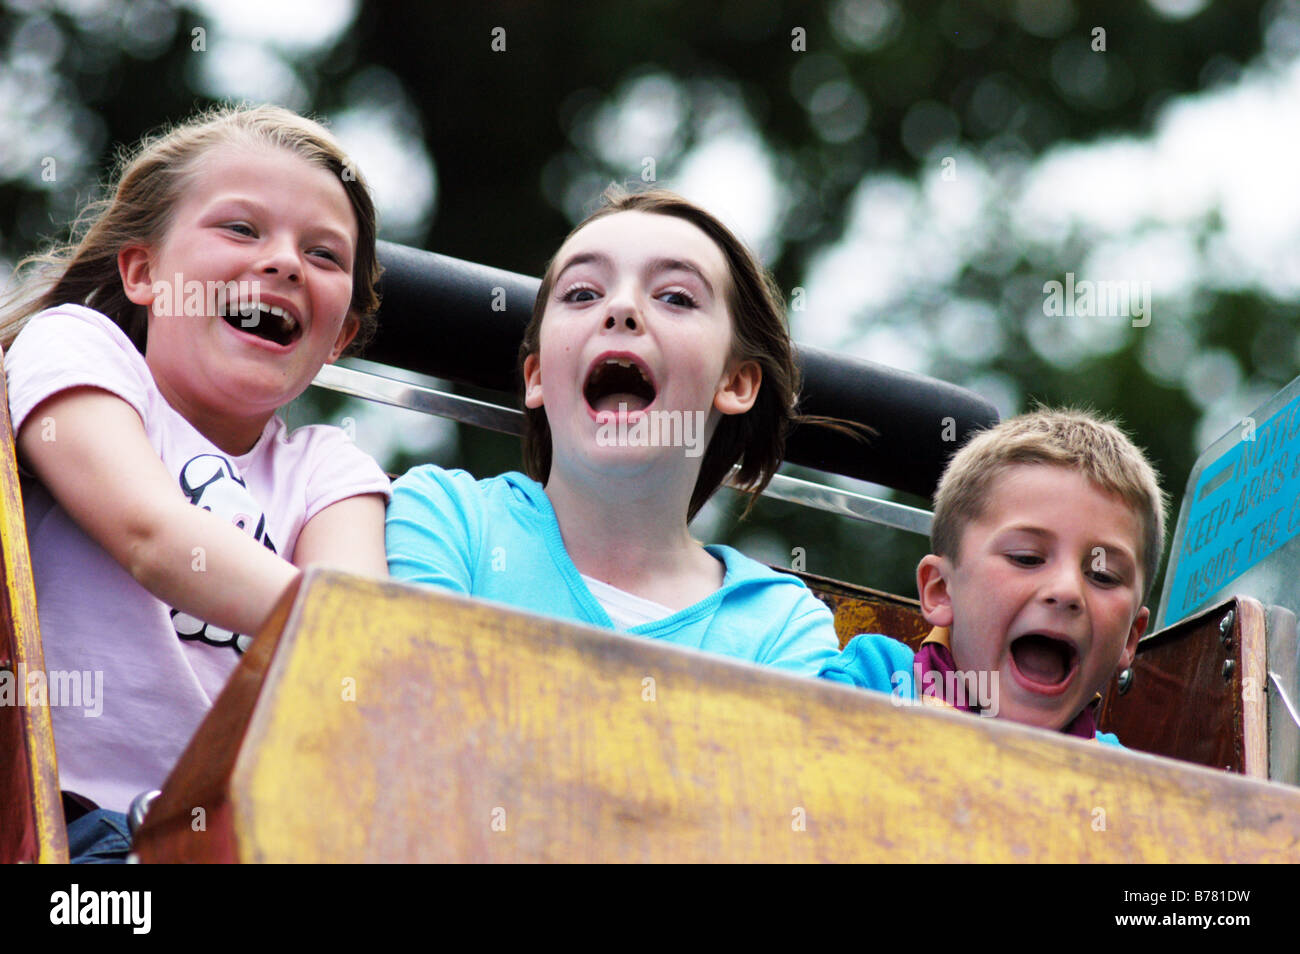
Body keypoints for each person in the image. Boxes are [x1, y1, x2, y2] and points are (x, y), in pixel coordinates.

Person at [1, 104, 391, 856]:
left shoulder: (331, 470)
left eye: (323, 254)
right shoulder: (79, 351)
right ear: (144, 272)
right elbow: (151, 534)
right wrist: (353, 630)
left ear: (339, 337)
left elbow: (355, 642)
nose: (282, 261)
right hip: (69, 822)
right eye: (242, 229)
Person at [387, 187, 842, 675]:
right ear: (536, 377)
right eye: (583, 293)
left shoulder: (781, 626)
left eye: (675, 297)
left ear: (735, 382)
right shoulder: (449, 520)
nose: (621, 308)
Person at [820, 409, 1166, 745]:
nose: (1066, 590)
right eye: (1027, 558)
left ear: (1131, 638)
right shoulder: (874, 683)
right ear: (941, 590)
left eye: (1103, 576)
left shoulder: (1124, 781)